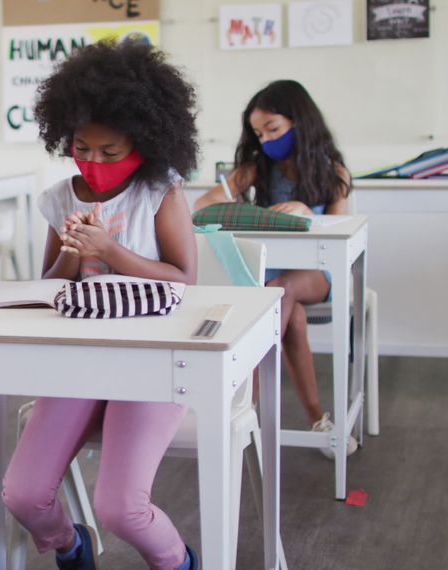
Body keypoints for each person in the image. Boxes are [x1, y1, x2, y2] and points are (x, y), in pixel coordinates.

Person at [1, 40, 201, 570]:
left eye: (110, 153)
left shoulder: (160, 193)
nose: (94, 163)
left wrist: (110, 250)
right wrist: (72, 252)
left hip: (153, 363)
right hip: (79, 362)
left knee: (121, 509)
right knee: (22, 494)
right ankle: (70, 545)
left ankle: (179, 562)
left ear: (145, 142)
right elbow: (50, 284)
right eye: (82, 149)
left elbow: (185, 279)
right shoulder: (61, 198)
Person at [192, 79, 354, 457]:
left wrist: (302, 211)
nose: (265, 140)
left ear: (300, 123)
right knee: (290, 315)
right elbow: (204, 204)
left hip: (317, 277)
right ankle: (318, 419)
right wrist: (247, 209)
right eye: (258, 133)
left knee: (285, 288)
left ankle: (243, 397)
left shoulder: (334, 173)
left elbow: (340, 236)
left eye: (273, 130)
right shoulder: (257, 170)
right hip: (274, 281)